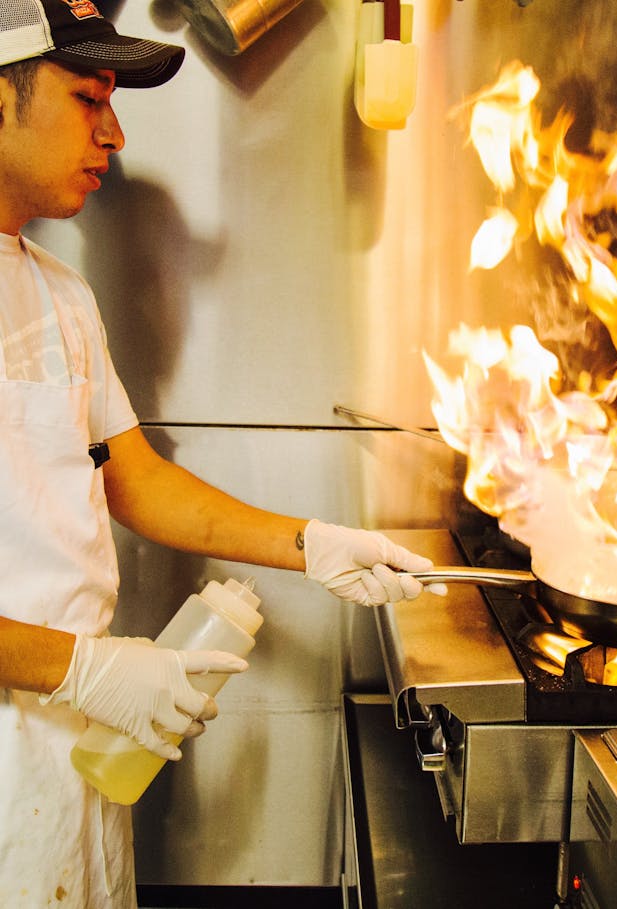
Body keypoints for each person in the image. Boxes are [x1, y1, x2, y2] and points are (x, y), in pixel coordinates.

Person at [0, 2, 444, 904]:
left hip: (76, 757)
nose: (114, 133)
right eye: (88, 97)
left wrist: (315, 542)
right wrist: (86, 666)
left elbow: (133, 476)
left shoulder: (58, 295)